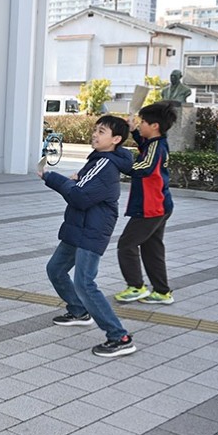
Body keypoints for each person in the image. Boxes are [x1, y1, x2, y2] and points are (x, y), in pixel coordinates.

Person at [40, 114, 136, 358]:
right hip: (79, 227)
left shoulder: (105, 164)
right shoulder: (99, 160)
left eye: (101, 131)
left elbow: (80, 197)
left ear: (115, 139)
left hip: (92, 231)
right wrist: (77, 179)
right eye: (96, 129)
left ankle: (119, 336)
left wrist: (52, 177)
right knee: (56, 269)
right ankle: (79, 311)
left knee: (85, 282)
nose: (95, 134)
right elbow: (84, 188)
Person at [114, 100, 177, 305]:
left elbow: (143, 167)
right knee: (152, 248)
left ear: (154, 126)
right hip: (160, 205)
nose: (140, 125)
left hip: (151, 207)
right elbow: (144, 145)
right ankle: (162, 291)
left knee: (126, 244)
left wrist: (116, 160)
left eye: (142, 122)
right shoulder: (155, 143)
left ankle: (136, 287)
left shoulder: (156, 147)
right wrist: (133, 132)